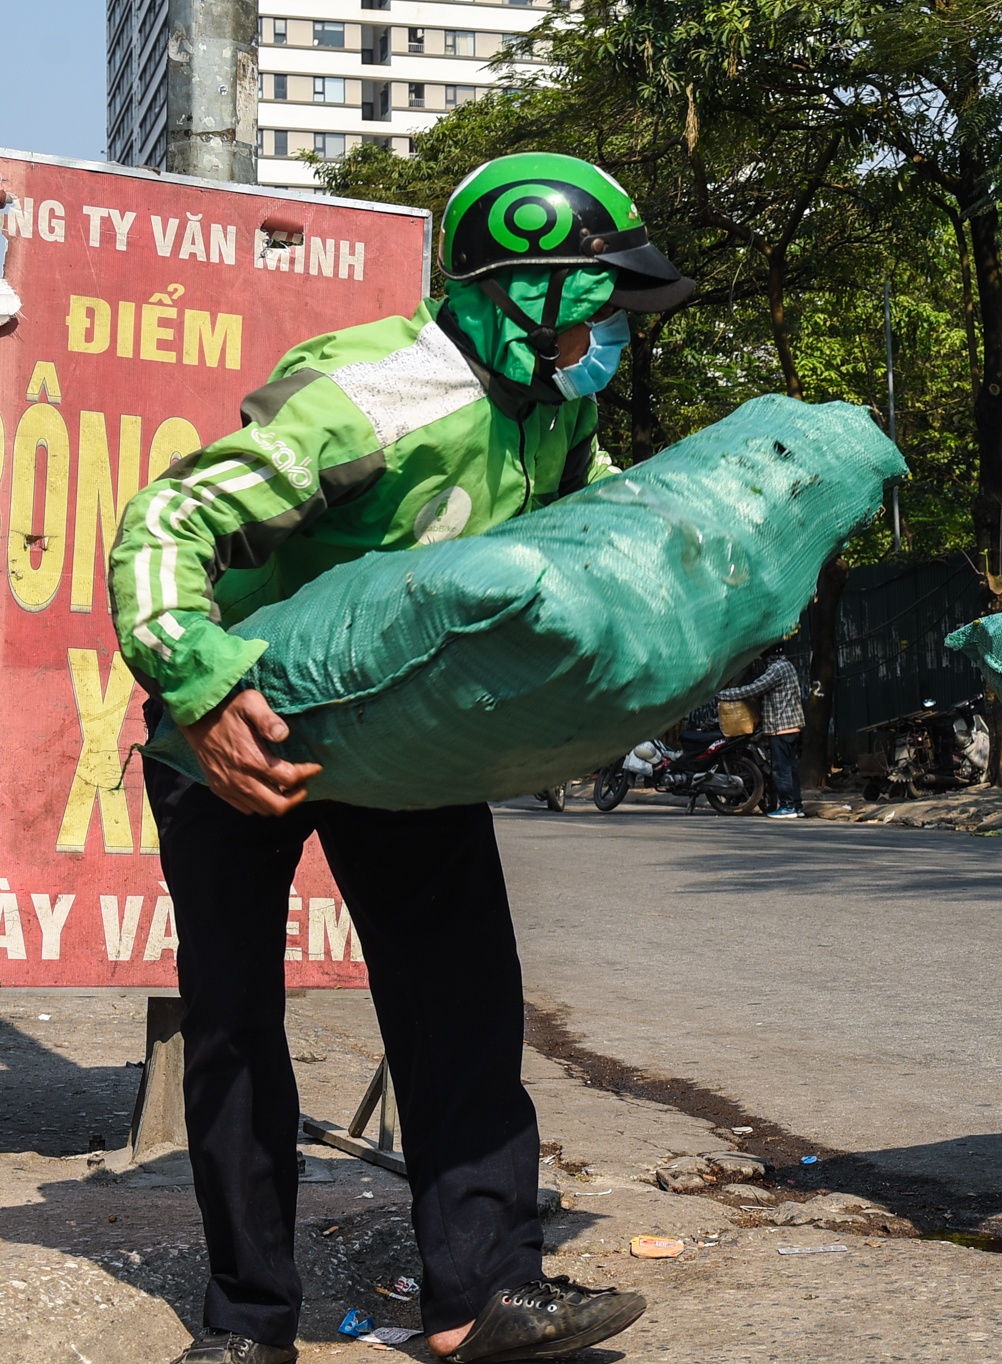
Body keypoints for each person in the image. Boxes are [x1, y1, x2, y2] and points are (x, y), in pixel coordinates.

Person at [108, 153, 695, 1364]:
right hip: (241, 729)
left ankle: (482, 1297)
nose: (608, 335)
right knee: (235, 1020)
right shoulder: (367, 398)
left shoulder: (554, 406)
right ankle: (248, 1320)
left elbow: (593, 528)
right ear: (511, 288)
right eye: (590, 301)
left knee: (461, 1004)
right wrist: (203, 689)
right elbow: (168, 522)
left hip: (396, 733)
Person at [718, 642, 807, 817]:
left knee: (781, 769)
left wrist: (724, 694)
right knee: (791, 768)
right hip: (791, 727)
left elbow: (754, 689)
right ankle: (796, 806)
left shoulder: (776, 669)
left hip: (781, 727)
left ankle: (788, 806)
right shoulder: (787, 666)